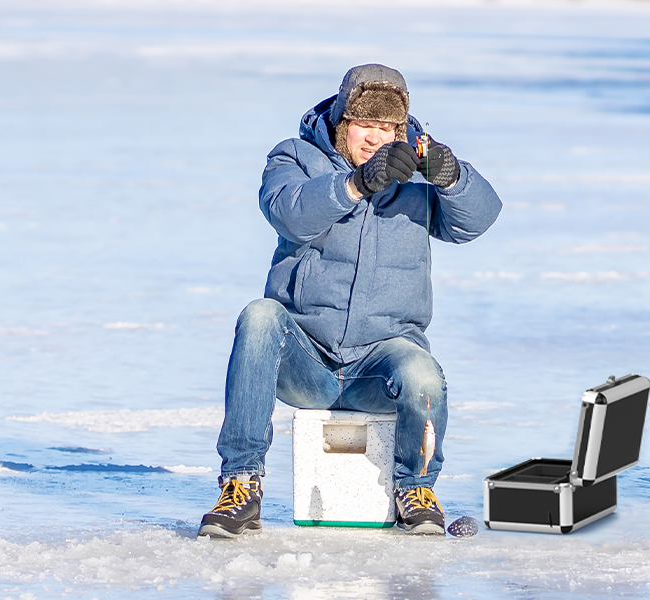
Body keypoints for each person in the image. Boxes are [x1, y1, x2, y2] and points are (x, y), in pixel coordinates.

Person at [197, 64, 502, 538]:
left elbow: (476, 221)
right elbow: (289, 214)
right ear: (343, 121)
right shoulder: (295, 157)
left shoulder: (418, 176)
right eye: (366, 125)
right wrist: (357, 184)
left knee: (423, 373)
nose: (376, 139)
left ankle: (416, 488)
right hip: (305, 362)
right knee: (260, 317)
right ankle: (241, 484)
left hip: (380, 363)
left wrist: (451, 176)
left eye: (387, 128)